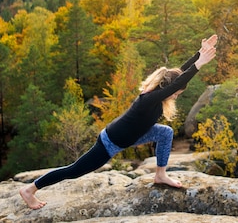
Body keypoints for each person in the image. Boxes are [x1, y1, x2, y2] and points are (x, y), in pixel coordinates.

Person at [19, 34, 218, 209]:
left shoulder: (159, 92)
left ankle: (160, 175)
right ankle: (30, 189)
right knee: (75, 170)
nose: (176, 96)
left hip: (133, 136)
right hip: (110, 143)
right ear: (168, 88)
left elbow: (179, 76)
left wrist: (199, 54)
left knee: (165, 132)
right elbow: (178, 82)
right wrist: (199, 65)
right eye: (176, 93)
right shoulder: (149, 99)